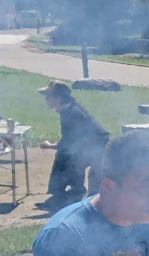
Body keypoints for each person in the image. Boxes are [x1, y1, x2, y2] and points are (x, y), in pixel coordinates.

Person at [38, 81, 109, 209]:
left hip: (97, 147)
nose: (45, 99)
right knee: (66, 155)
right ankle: (62, 194)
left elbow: (71, 141)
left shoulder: (72, 113)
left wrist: (51, 146)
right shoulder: (68, 109)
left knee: (68, 157)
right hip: (89, 145)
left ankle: (72, 194)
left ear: (58, 98)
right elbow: (71, 139)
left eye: (48, 96)